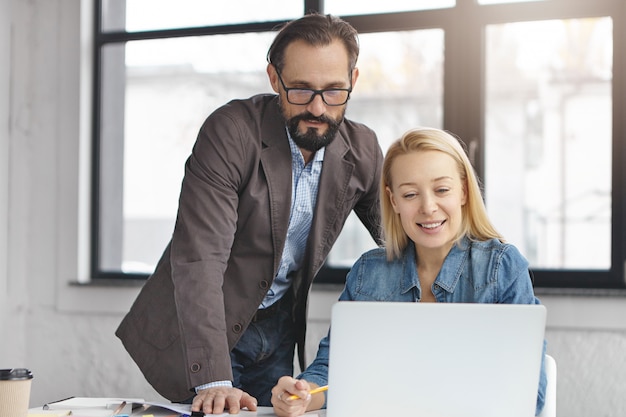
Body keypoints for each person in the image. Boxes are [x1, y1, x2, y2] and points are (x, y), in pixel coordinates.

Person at [115, 13, 383, 415]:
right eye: (300, 90)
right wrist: (214, 379)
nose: (317, 108)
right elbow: (200, 256)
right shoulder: (232, 131)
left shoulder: (362, 149)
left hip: (278, 327)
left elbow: (403, 236)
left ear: (353, 81)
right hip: (209, 321)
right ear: (274, 79)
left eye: (333, 91)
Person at [271, 127, 548, 417]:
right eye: (411, 194)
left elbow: (530, 393)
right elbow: (333, 371)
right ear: (394, 201)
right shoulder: (368, 272)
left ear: (464, 192)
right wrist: (301, 395)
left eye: (442, 190)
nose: (428, 207)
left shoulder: (502, 267)